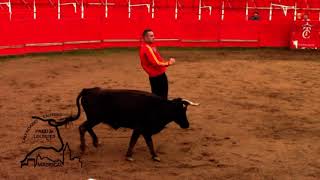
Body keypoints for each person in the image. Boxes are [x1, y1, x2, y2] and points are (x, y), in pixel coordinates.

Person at [139, 29, 175, 99]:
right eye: (151, 36)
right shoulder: (147, 48)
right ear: (145, 37)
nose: (154, 37)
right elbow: (156, 63)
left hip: (154, 76)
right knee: (162, 97)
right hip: (158, 76)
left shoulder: (148, 46)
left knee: (156, 97)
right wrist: (169, 63)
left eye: (153, 35)